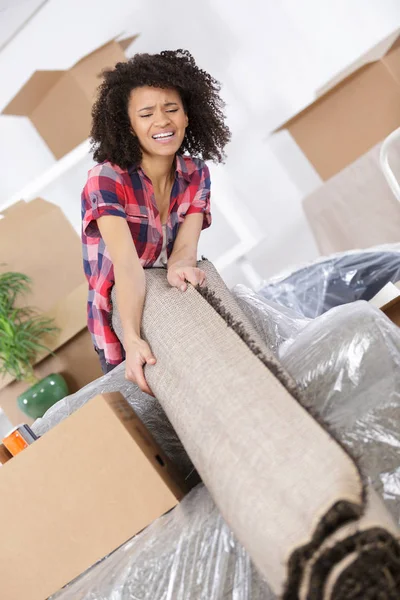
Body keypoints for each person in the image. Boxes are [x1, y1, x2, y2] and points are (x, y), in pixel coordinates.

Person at [81, 49, 231, 395]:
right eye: (146, 114)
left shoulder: (196, 175)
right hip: (117, 318)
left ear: (188, 116)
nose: (162, 122)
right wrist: (132, 339)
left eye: (172, 109)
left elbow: (183, 250)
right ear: (129, 126)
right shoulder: (106, 180)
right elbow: (127, 266)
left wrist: (182, 268)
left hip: (166, 302)